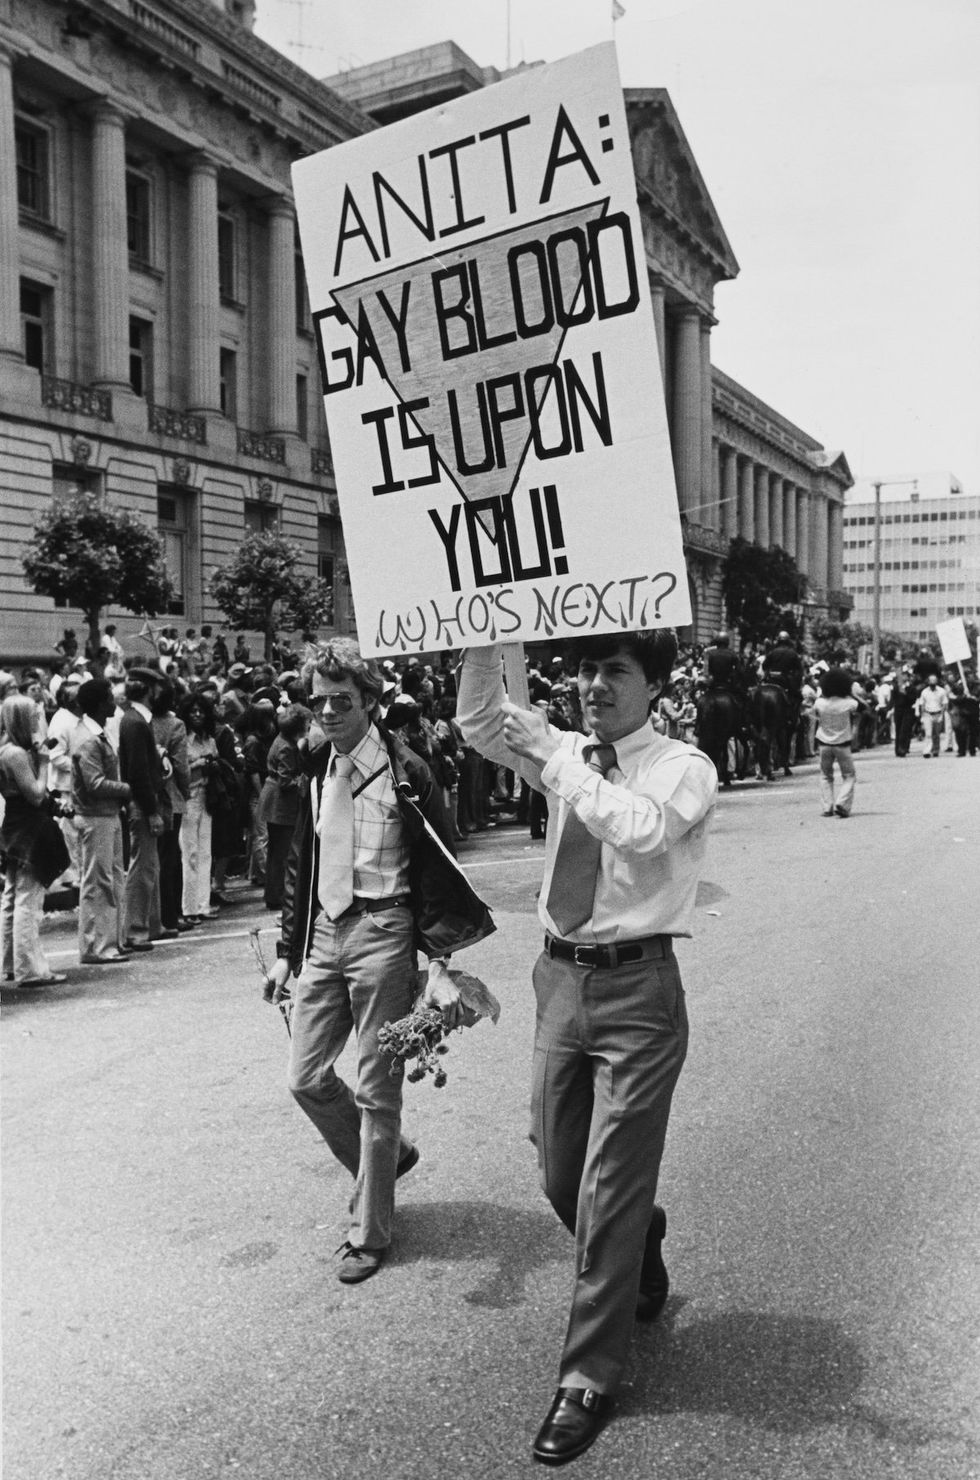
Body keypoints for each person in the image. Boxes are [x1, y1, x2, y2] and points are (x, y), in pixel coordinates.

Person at [457, 630, 717, 1465]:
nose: (593, 685)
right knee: (559, 1168)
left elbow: (639, 830)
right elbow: (475, 726)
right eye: (584, 668)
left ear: (654, 686)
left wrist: (559, 763)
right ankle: (638, 1234)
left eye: (615, 671)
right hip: (559, 981)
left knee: (606, 1188)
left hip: (640, 991)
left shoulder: (683, 766)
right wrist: (481, 635)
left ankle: (588, 1379)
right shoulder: (563, 748)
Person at [262, 640, 493, 1287]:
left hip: (385, 929)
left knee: (377, 1087)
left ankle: (369, 1232)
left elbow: (445, 866)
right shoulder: (315, 767)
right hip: (323, 934)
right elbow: (299, 869)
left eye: (341, 700)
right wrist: (287, 952)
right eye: (318, 701)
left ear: (368, 699)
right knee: (305, 1076)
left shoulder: (406, 770)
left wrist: (441, 957)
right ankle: (385, 1164)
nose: (328, 712)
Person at [0, 696, 69, 987]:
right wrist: (42, 762)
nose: (37, 722)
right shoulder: (15, 754)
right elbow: (36, 793)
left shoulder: (8, 750)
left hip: (16, 825)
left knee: (13, 898)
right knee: (28, 900)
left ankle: (10, 964)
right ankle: (30, 969)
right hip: (28, 827)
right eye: (33, 716)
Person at [71, 679, 132, 964]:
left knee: (110, 879)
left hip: (107, 815)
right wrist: (128, 788)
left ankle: (109, 941)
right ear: (98, 704)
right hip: (96, 817)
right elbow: (94, 783)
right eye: (109, 698)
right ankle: (96, 946)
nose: (113, 702)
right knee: (98, 883)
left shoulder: (99, 734)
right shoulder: (88, 739)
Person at [117, 669, 167, 951]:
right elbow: (137, 773)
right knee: (142, 867)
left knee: (149, 865)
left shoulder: (134, 720)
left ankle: (149, 924)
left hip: (143, 801)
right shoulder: (135, 722)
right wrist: (151, 810)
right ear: (148, 690)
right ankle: (136, 929)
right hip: (143, 803)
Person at [258, 702, 312, 912]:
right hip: (280, 805)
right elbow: (285, 781)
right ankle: (277, 895)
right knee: (282, 853)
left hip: (275, 801)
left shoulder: (282, 740)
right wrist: (303, 781)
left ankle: (274, 894)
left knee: (277, 852)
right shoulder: (287, 747)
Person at [178, 693, 219, 922]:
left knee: (205, 853)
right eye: (193, 711)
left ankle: (203, 904)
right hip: (188, 797)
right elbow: (180, 771)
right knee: (189, 854)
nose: (197, 715)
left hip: (206, 797)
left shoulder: (209, 739)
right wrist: (198, 764)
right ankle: (189, 907)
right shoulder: (183, 740)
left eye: (201, 711)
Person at [813, 667, 862, 817]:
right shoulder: (850, 703)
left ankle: (827, 807)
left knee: (825, 776)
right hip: (843, 744)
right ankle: (842, 802)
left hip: (823, 744)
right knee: (849, 775)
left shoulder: (819, 703)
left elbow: (816, 716)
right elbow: (864, 708)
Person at [915, 675, 948, 759]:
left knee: (936, 734)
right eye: (931, 681)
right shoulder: (924, 692)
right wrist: (922, 716)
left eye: (934, 680)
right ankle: (927, 751)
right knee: (928, 734)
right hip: (928, 714)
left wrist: (941, 715)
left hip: (938, 713)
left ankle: (935, 750)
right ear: (928, 682)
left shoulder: (941, 691)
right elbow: (922, 704)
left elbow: (945, 703)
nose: (932, 682)